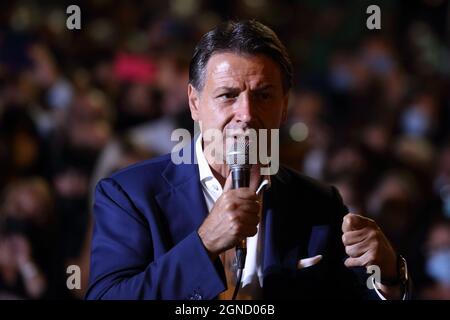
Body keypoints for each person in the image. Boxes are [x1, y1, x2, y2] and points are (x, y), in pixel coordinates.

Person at [86, 20, 410, 300]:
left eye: (263, 96)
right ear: (194, 103)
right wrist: (204, 244)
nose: (246, 113)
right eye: (228, 95)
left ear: (284, 108)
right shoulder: (128, 194)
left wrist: (387, 276)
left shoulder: (319, 203)